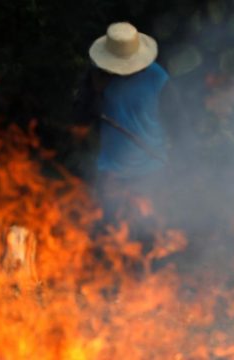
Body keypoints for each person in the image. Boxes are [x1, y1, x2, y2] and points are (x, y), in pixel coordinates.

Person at [73, 22, 184, 246]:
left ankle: (151, 278)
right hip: (112, 172)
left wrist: (182, 161)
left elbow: (179, 124)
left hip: (151, 169)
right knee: (112, 235)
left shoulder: (157, 78)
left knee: (148, 236)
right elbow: (80, 118)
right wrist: (95, 92)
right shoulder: (97, 78)